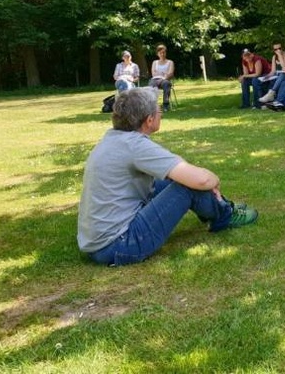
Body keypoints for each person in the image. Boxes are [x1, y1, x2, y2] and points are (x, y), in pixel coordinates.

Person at [78, 87, 258, 266]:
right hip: (120, 244)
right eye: (159, 110)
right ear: (149, 120)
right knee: (187, 186)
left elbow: (175, 166)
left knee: (171, 180)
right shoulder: (135, 146)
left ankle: (217, 208)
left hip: (97, 244)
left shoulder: (115, 138)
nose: (161, 114)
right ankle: (224, 214)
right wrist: (214, 180)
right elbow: (201, 179)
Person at [148, 44, 175, 111]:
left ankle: (165, 105)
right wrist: (164, 73)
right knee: (151, 85)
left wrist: (163, 75)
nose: (162, 54)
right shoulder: (155, 62)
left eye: (163, 52)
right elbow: (153, 74)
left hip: (165, 80)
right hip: (155, 79)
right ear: (158, 54)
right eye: (160, 53)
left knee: (166, 84)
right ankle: (152, 105)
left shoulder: (170, 62)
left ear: (165, 53)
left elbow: (170, 73)